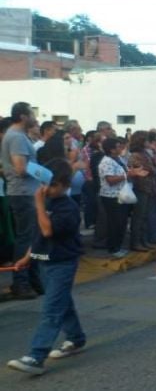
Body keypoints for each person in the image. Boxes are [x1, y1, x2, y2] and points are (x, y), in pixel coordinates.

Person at [6, 159, 86, 375]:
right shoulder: (47, 200)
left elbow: (49, 230)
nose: (46, 189)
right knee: (62, 303)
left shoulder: (68, 207)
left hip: (62, 263)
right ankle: (76, 338)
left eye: (51, 185)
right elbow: (40, 235)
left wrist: (39, 205)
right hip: (44, 261)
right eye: (44, 184)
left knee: (52, 309)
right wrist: (27, 256)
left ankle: (36, 356)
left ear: (65, 185)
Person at [0, 102, 42, 301]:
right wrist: (44, 172)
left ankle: (32, 280)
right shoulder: (16, 137)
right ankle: (21, 282)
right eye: (32, 114)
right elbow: (20, 168)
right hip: (23, 193)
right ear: (23, 116)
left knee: (30, 237)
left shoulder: (18, 136)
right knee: (26, 238)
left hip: (25, 192)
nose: (35, 119)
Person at [98, 137, 136, 258]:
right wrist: (127, 175)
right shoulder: (106, 162)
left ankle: (118, 246)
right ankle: (113, 248)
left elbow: (125, 171)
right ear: (111, 149)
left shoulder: (118, 159)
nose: (121, 148)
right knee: (115, 222)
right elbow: (110, 180)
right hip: (111, 196)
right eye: (118, 147)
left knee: (122, 222)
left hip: (122, 194)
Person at [127, 131, 156, 252]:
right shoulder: (135, 155)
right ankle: (136, 242)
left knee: (144, 216)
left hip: (148, 187)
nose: (147, 142)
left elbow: (153, 168)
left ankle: (143, 240)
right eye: (145, 140)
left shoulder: (145, 153)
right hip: (140, 187)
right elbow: (141, 170)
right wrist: (150, 168)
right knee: (138, 217)